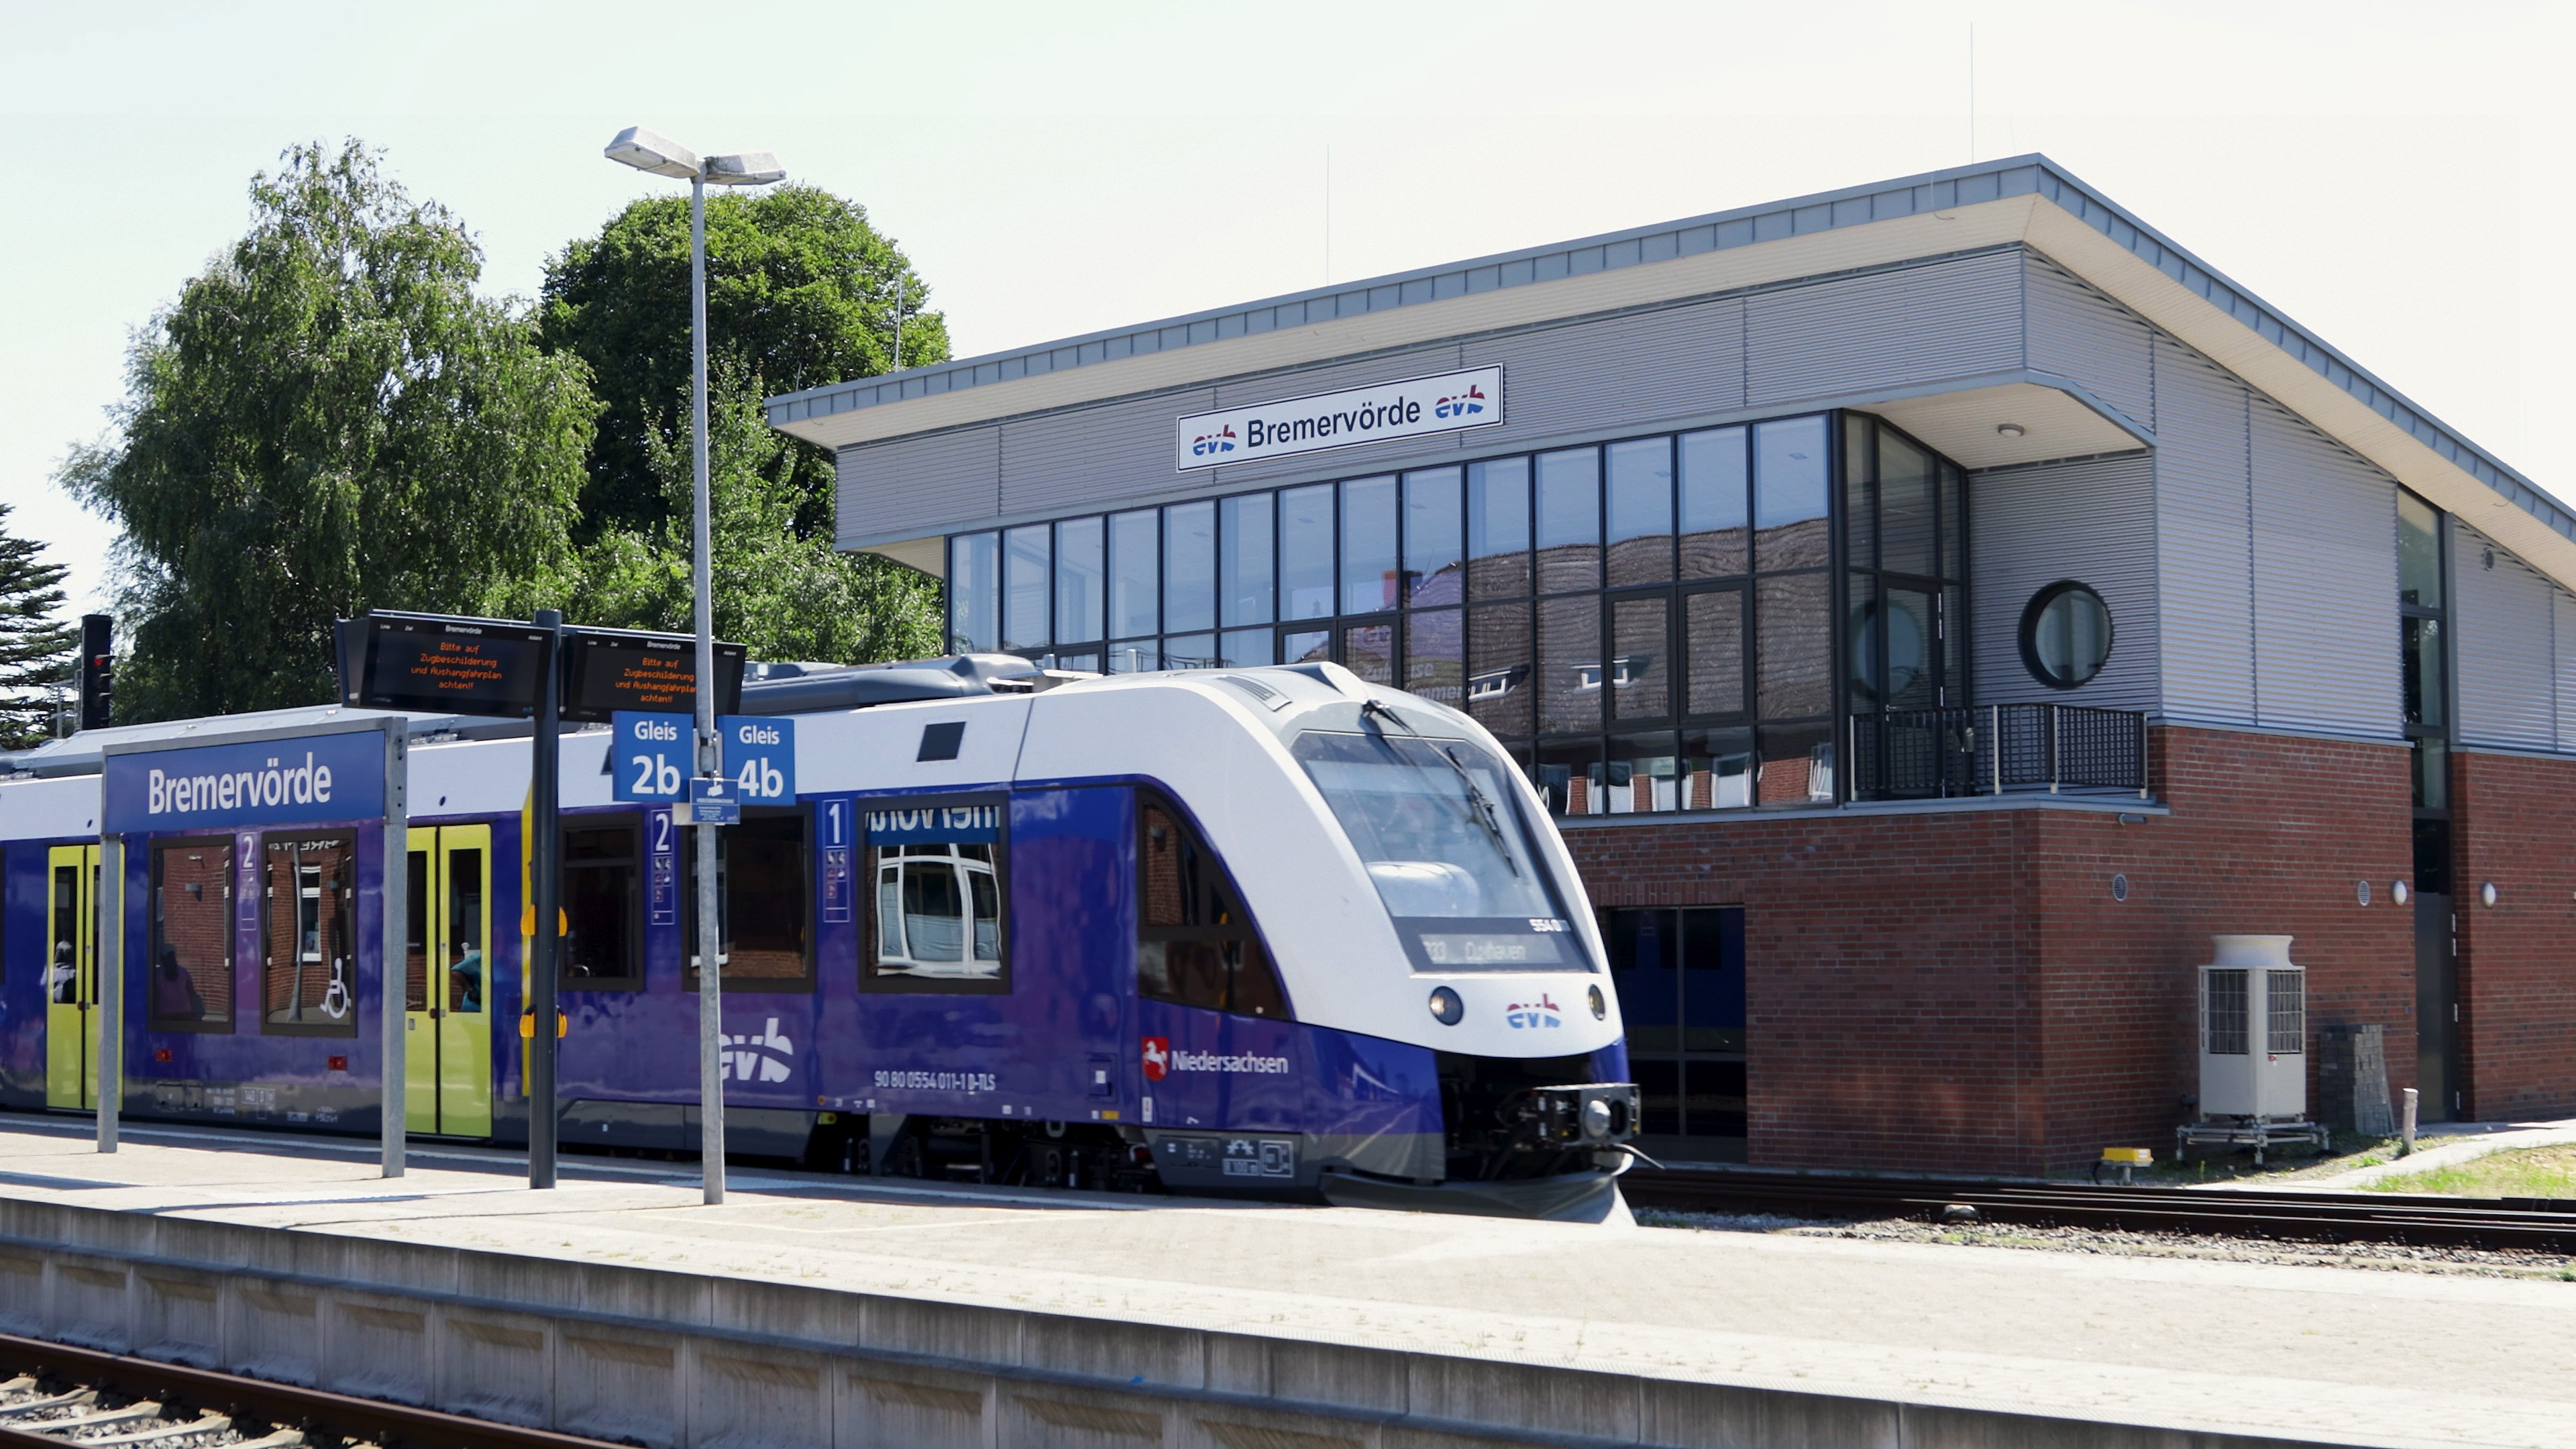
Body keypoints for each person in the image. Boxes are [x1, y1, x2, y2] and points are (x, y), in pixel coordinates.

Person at [150, 943, 205, 1022]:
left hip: (164, 1014)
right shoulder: (184, 972)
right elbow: (191, 992)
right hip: (185, 1012)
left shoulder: (156, 974)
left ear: (161, 957)